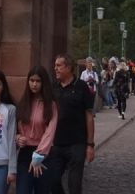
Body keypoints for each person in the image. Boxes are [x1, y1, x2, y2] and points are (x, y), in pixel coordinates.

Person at [41, 54, 95, 194]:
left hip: (77, 143)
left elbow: (89, 116)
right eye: (55, 66)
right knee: (52, 180)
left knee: (74, 184)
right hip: (57, 143)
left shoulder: (81, 87)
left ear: (69, 68)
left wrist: (90, 145)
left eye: (59, 66)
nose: (55, 69)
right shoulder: (53, 88)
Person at [13, 66, 58, 194]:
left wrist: (39, 156)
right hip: (25, 154)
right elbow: (16, 128)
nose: (34, 84)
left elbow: (50, 132)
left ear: (43, 83)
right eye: (32, 80)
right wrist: (18, 138)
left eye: (38, 81)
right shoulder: (23, 103)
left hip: (43, 154)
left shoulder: (51, 105)